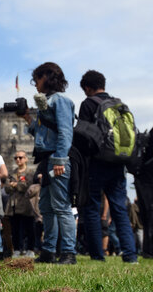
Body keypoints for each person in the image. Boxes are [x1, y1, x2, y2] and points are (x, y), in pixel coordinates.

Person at [78, 70, 138, 263]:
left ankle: (98, 255)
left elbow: (83, 136)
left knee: (92, 209)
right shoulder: (120, 105)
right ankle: (130, 254)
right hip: (118, 163)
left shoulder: (88, 104)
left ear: (87, 88)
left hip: (96, 163)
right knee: (119, 208)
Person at [21, 62, 77, 264]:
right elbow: (40, 131)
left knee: (61, 206)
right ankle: (48, 251)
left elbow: (65, 131)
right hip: (46, 159)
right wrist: (27, 117)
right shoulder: (48, 101)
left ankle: (69, 253)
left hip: (56, 158)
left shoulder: (60, 100)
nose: (35, 83)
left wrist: (60, 159)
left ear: (47, 77)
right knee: (46, 206)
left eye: (37, 79)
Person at [5, 151, 36, 258]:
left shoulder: (30, 173)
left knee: (29, 228)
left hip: (26, 204)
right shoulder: (12, 173)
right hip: (13, 205)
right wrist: (14, 185)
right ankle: (17, 249)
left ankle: (30, 249)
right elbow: (7, 188)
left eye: (20, 157)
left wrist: (16, 185)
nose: (18, 160)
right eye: (16, 158)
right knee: (15, 228)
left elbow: (28, 186)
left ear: (26, 159)